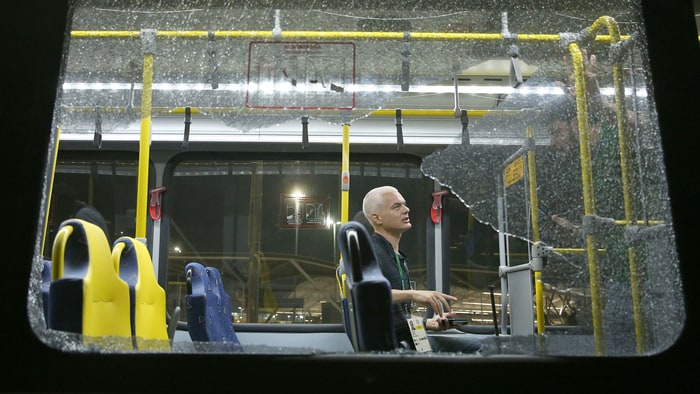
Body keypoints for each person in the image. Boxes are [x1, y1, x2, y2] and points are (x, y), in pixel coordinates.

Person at [361, 185, 483, 353]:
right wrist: (412, 294)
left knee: (482, 347)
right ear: (377, 218)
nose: (406, 209)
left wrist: (428, 324)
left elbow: (399, 318)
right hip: (396, 348)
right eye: (397, 206)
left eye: (404, 204)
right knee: (481, 350)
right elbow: (368, 295)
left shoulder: (396, 256)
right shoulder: (372, 252)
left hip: (410, 339)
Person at [44, 182, 111, 258]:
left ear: (64, 201)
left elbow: (89, 250)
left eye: (56, 202)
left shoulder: (84, 215)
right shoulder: (79, 214)